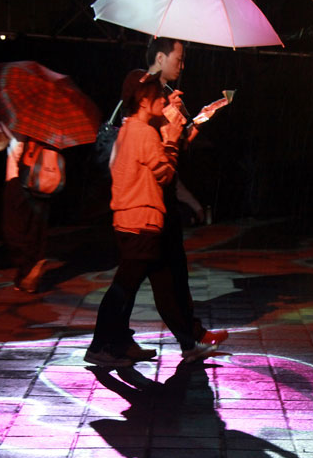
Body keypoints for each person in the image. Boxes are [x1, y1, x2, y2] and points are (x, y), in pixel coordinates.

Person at [84, 70, 219, 367]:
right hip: (140, 222)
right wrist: (170, 140)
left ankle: (187, 344)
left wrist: (173, 123)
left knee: (162, 283)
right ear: (144, 101)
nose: (162, 100)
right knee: (123, 289)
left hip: (134, 221)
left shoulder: (129, 128)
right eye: (158, 96)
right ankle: (99, 346)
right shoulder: (143, 133)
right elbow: (165, 174)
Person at [146, 37, 228, 347]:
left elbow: (177, 146)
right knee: (136, 276)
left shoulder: (165, 95)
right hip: (146, 200)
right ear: (160, 58)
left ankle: (190, 337)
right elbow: (152, 148)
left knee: (170, 272)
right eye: (177, 59)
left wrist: (201, 118)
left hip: (161, 197)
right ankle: (107, 340)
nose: (182, 66)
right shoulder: (145, 94)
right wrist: (169, 116)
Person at [0, 101, 48, 292]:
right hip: (42, 180)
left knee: (13, 229)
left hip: (18, 178)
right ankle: (28, 274)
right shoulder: (43, 121)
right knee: (34, 227)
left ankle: (29, 269)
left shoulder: (17, 119)